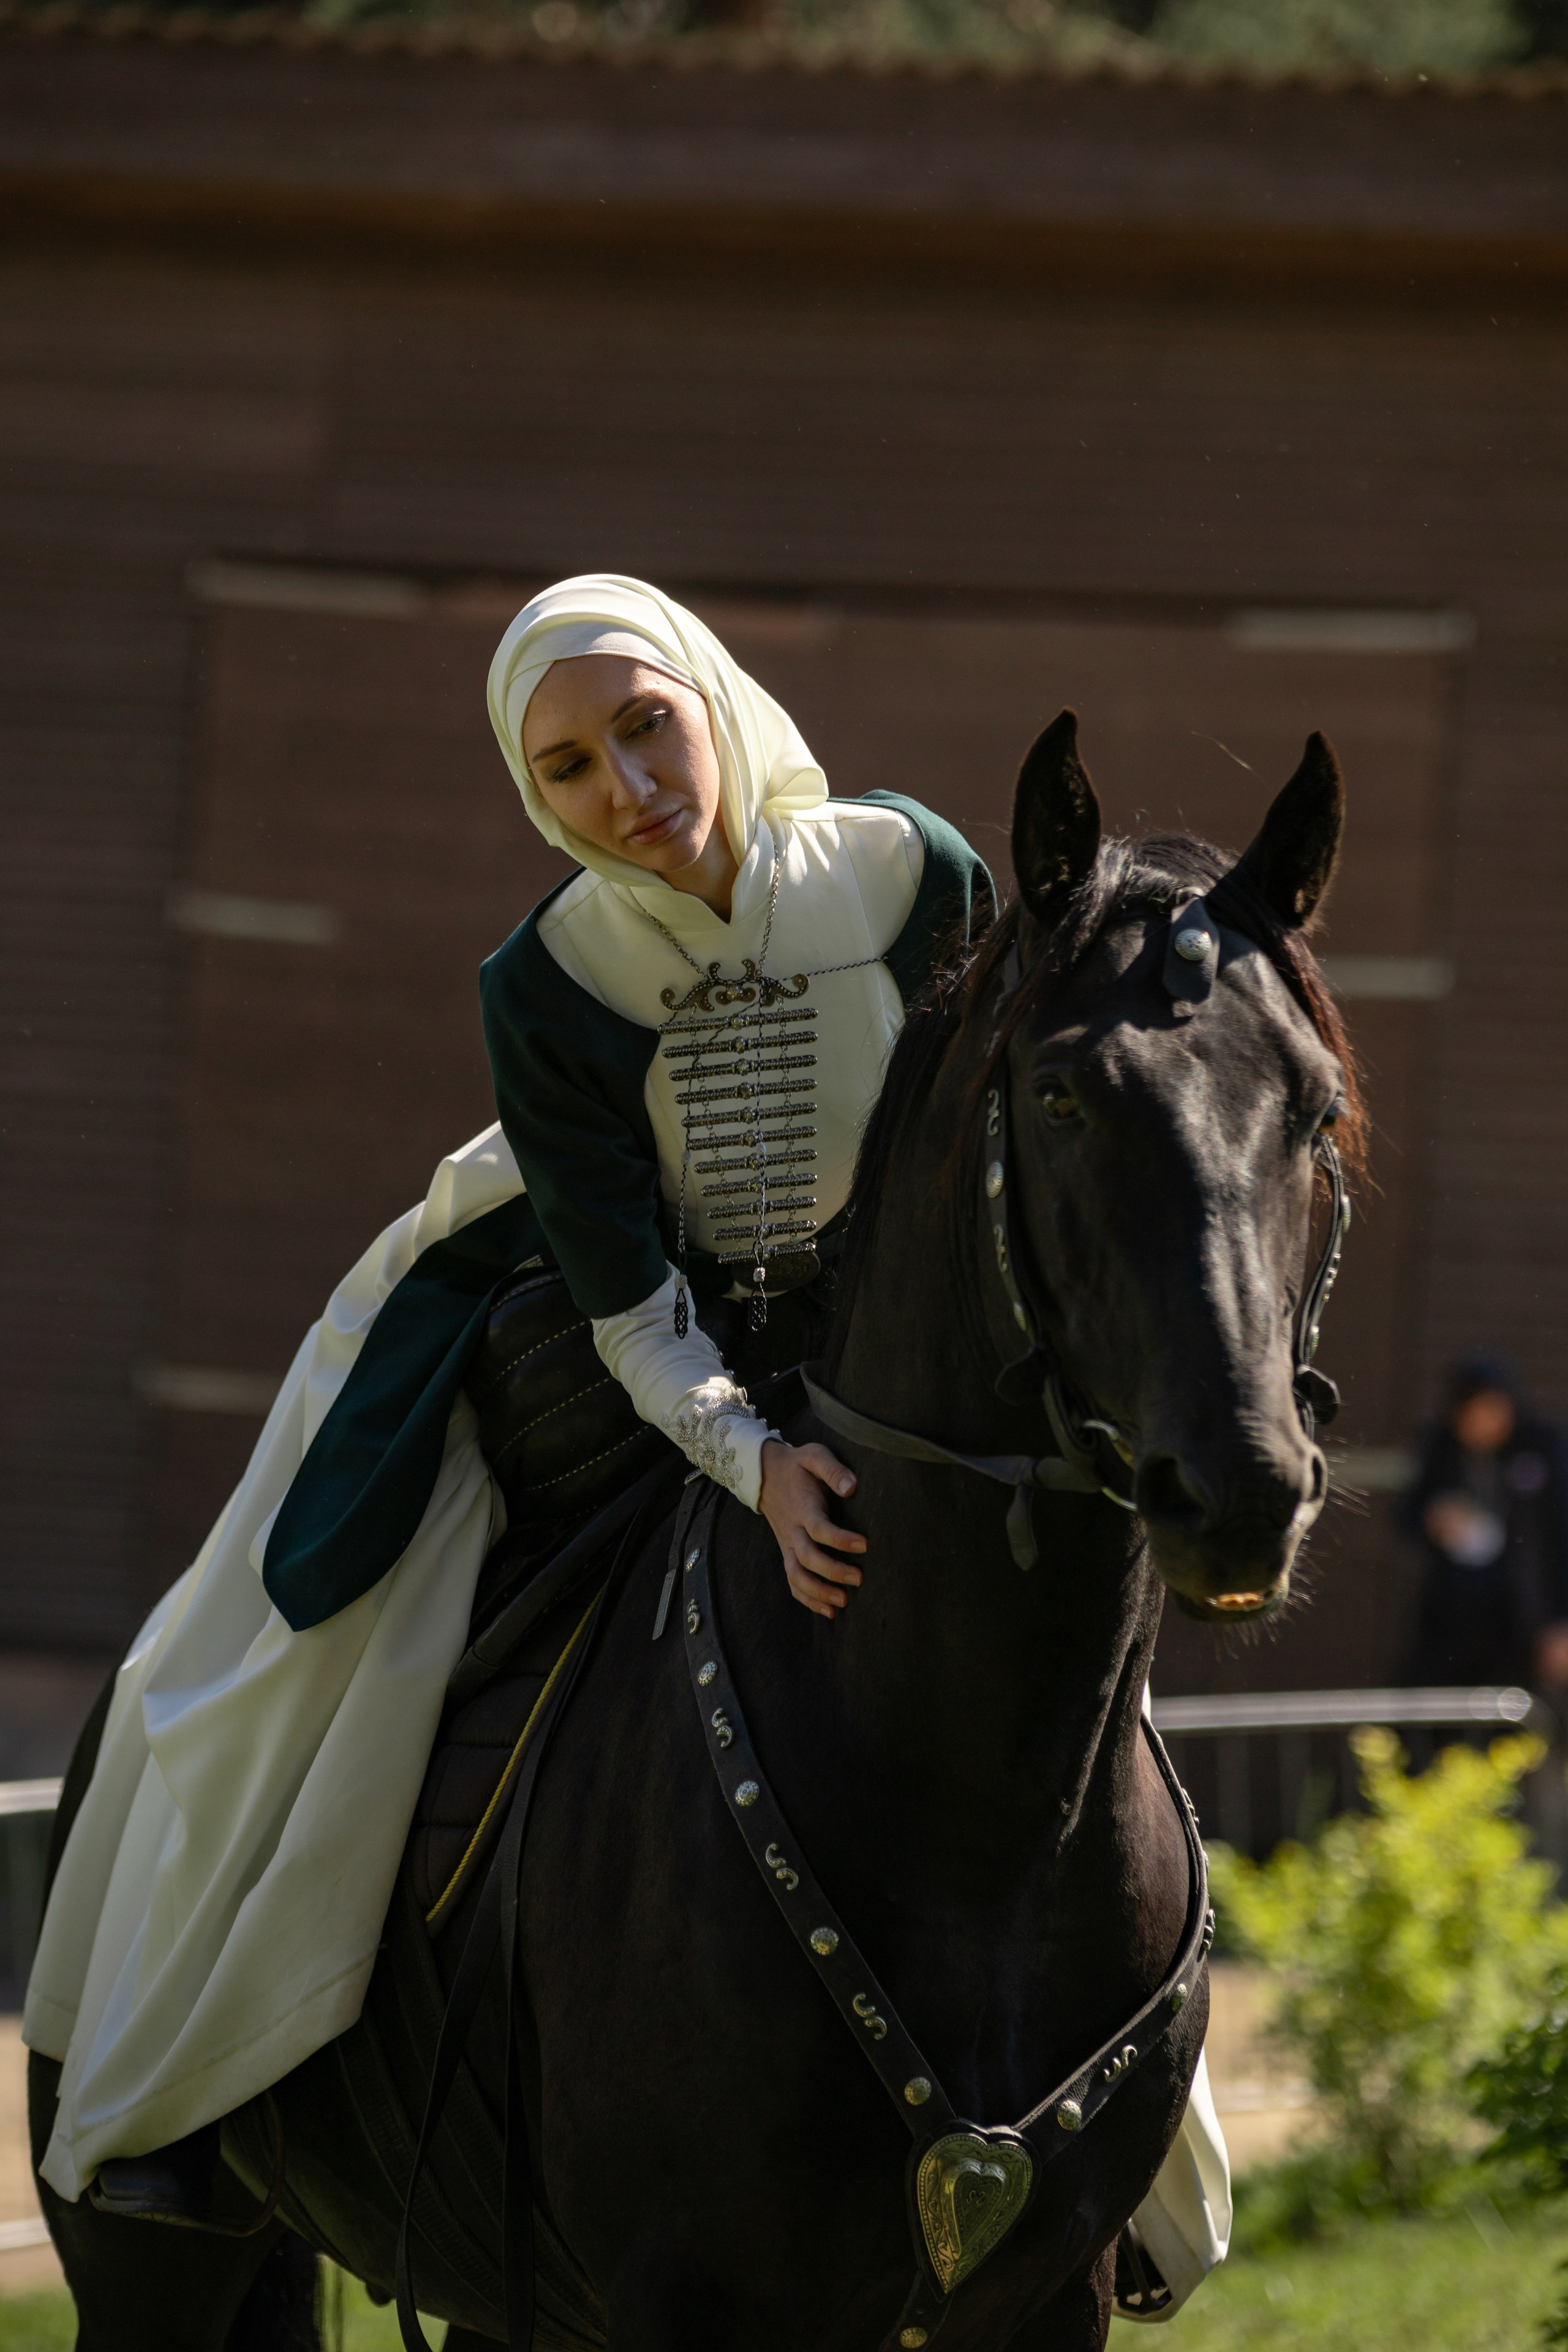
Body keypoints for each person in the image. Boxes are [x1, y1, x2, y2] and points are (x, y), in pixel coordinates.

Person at [26, 578, 1228, 2313]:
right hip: (640, 1334)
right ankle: (207, 2074)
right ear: (539, 799)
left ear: (715, 701)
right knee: (305, 1642)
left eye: (645, 726)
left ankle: (1115, 2142)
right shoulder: (547, 980)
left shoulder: (917, 877)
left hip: (907, 1344)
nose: (628, 789)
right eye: (569, 767)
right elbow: (626, 1294)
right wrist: (754, 1462)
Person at [1402, 1349, 1568, 1693]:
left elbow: (1558, 1535)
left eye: (1490, 1410)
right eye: (1470, 1413)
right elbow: (1408, 1514)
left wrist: (1559, 1621)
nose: (1480, 1422)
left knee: (1514, 1715)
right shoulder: (1441, 1448)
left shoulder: (1542, 1447)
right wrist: (1433, 1520)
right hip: (1451, 1608)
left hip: (1520, 1612)